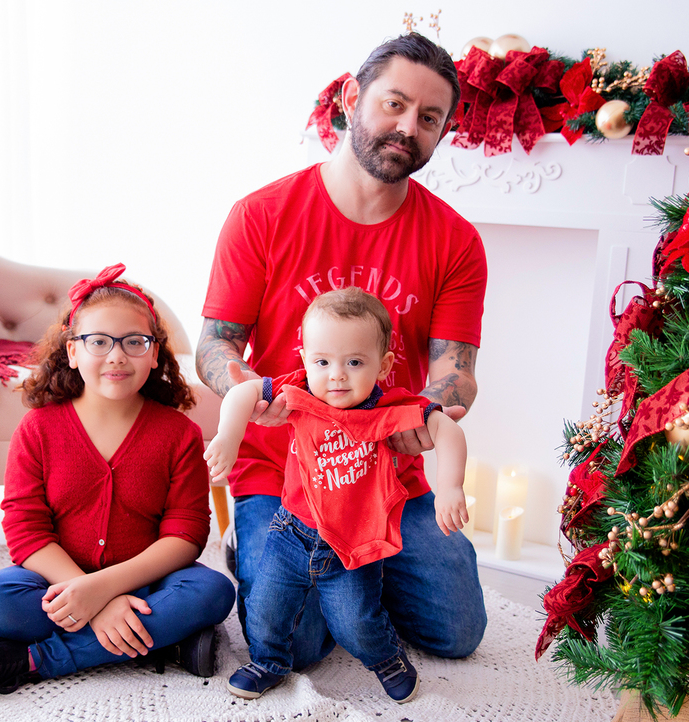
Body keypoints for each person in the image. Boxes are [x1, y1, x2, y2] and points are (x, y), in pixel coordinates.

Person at [197, 32, 488, 669]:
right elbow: (215, 346)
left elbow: (456, 375)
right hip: (282, 471)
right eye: (394, 104)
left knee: (455, 633)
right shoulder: (260, 216)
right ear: (352, 97)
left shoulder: (456, 241)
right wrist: (255, 394)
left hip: (390, 472)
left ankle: (360, 572)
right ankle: (272, 553)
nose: (408, 127)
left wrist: (429, 421)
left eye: (429, 118)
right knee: (297, 651)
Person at [0, 264, 236, 696]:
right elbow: (25, 529)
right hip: (58, 582)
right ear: (72, 351)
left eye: (134, 342)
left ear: (155, 353)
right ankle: (165, 645)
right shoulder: (38, 430)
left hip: (148, 582)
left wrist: (101, 591)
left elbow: (186, 534)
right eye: (98, 342)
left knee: (211, 592)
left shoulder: (179, 434)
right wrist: (88, 597)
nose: (117, 356)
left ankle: (29, 660)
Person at [204, 289, 469, 703]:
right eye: (322, 362)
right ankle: (267, 661)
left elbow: (446, 429)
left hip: (353, 540)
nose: (337, 375)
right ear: (305, 357)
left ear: (383, 366)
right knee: (267, 607)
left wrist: (450, 487)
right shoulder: (300, 392)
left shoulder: (386, 408)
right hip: (291, 530)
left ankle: (387, 660)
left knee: (355, 621)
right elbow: (243, 392)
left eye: (355, 363)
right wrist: (229, 434)